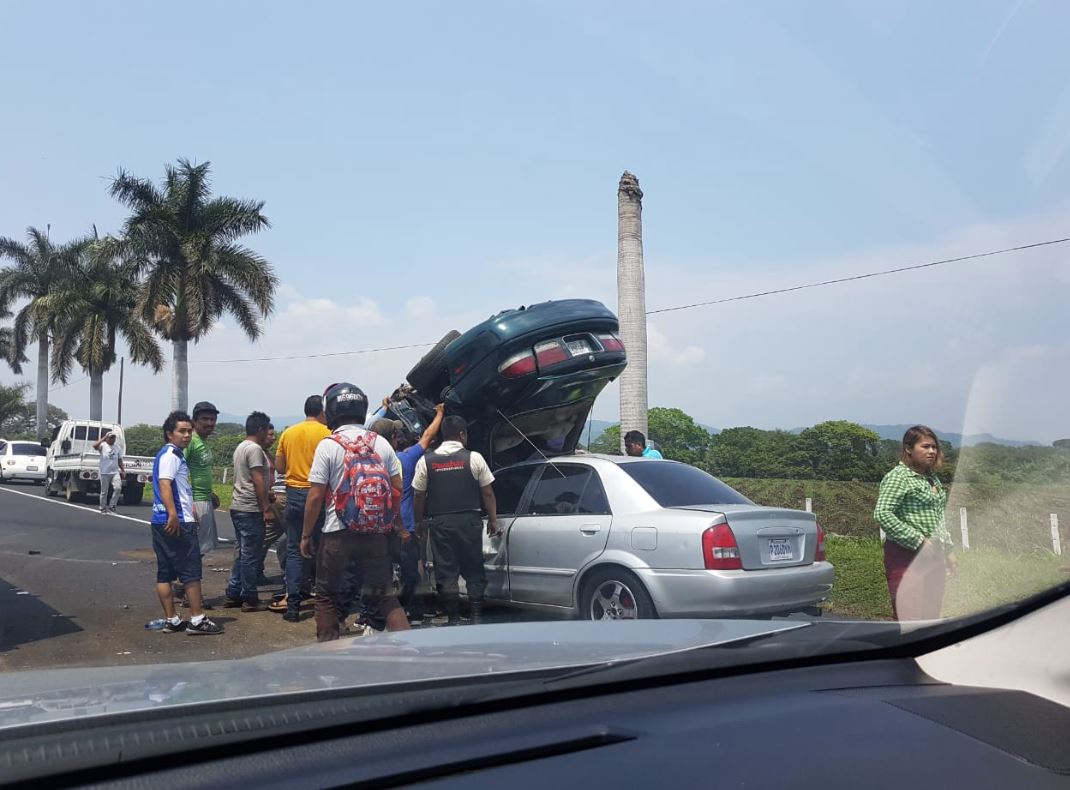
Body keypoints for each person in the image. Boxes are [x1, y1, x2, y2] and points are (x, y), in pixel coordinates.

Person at [299, 383, 409, 641]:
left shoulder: (328, 445)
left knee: (326, 595)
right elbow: (396, 490)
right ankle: (408, 649)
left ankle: (329, 658)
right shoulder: (381, 443)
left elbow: (315, 496)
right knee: (385, 595)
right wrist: (398, 526)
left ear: (332, 411)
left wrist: (305, 535)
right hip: (375, 534)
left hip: (337, 532)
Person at [413, 415, 500, 625]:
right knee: (473, 567)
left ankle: (453, 618)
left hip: (440, 524)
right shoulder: (474, 458)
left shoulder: (426, 460)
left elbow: (418, 495)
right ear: (462, 435)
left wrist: (418, 523)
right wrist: (493, 520)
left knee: (446, 570)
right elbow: (487, 493)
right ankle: (477, 615)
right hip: (469, 521)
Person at [371, 401, 446, 623]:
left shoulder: (371, 461)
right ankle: (412, 610)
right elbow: (427, 437)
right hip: (405, 526)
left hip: (379, 526)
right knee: (411, 570)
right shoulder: (405, 459)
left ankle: (379, 612)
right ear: (394, 438)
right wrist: (440, 413)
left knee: (380, 571)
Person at [150, 411, 223, 635]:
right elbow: (165, 484)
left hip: (161, 519)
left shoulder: (169, 454)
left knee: (165, 573)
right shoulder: (171, 455)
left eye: (189, 431)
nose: (187, 435)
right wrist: (174, 514)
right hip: (177, 522)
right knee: (191, 571)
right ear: (169, 434)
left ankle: (171, 620)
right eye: (182, 431)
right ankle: (198, 619)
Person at [874, 425, 957, 621]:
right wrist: (919, 540)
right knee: (908, 614)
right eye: (925, 446)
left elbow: (939, 519)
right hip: (905, 556)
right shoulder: (898, 477)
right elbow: (882, 513)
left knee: (931, 614)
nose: (932, 451)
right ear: (909, 449)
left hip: (933, 555)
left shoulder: (932, 479)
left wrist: (948, 551)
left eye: (934, 447)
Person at [274, 395, 331, 623]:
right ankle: (325, 602)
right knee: (324, 548)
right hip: (320, 494)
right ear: (322, 412)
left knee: (295, 550)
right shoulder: (327, 433)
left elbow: (279, 466)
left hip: (295, 494)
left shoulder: (289, 433)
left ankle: (294, 605)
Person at [224, 411, 275, 612]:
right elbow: (257, 479)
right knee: (251, 555)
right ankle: (250, 596)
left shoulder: (241, 447)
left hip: (238, 505)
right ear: (261, 429)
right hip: (250, 508)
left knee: (242, 552)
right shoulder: (254, 449)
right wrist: (266, 508)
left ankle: (234, 592)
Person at [187, 401, 221, 557]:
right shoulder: (191, 442)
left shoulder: (203, 442)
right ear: (194, 421)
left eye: (212, 420)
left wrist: (210, 494)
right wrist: (189, 502)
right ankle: (187, 580)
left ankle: (188, 579)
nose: (210, 423)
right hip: (195, 502)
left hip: (204, 499)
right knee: (195, 548)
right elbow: (179, 472)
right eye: (205, 419)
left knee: (202, 547)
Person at [92, 431, 124, 514]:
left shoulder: (117, 447)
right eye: (110, 437)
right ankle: (102, 507)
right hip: (104, 472)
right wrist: (103, 438)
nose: (112, 439)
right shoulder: (103, 445)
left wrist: (123, 470)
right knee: (104, 491)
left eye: (113, 437)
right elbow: (94, 446)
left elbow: (119, 459)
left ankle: (112, 506)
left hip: (114, 472)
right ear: (107, 438)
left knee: (118, 488)